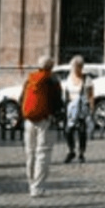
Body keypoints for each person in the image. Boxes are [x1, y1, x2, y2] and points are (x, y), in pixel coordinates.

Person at [20, 56, 62, 197]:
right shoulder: (52, 79)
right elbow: (57, 101)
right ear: (51, 66)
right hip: (45, 119)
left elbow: (21, 98)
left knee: (30, 153)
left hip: (29, 120)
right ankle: (37, 187)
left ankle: (30, 183)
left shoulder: (30, 79)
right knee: (43, 153)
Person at [62, 56, 93, 165]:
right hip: (70, 108)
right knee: (68, 131)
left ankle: (81, 153)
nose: (74, 69)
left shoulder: (86, 79)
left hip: (81, 109)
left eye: (77, 66)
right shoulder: (69, 78)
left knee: (81, 131)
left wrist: (91, 109)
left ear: (81, 67)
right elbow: (66, 92)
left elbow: (91, 95)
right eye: (73, 66)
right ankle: (71, 150)